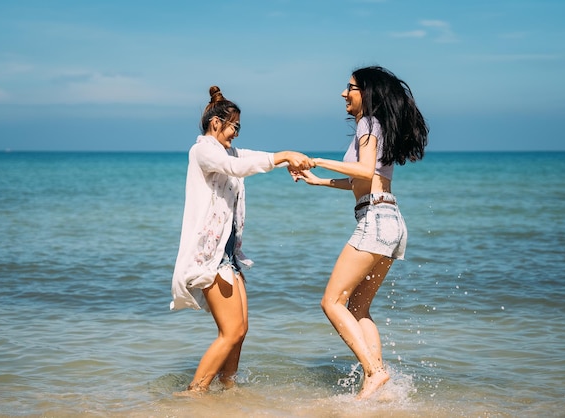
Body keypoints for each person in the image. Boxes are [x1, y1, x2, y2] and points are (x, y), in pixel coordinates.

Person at [290, 66, 428, 399]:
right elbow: (364, 180)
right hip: (390, 218)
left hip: (376, 219)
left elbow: (364, 170)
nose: (343, 93)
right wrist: (320, 181)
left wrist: (317, 160)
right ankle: (380, 381)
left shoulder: (368, 123)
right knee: (358, 308)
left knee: (331, 302)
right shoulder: (376, 126)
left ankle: (375, 372)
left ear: (365, 92)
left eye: (349, 87)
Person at [170, 86, 313, 394]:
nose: (236, 133)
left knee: (241, 330)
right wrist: (284, 155)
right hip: (210, 256)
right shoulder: (204, 150)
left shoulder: (228, 151)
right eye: (234, 126)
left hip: (229, 255)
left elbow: (251, 159)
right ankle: (195, 392)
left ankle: (228, 388)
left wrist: (287, 159)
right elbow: (235, 168)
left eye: (238, 127)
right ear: (215, 123)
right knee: (230, 331)